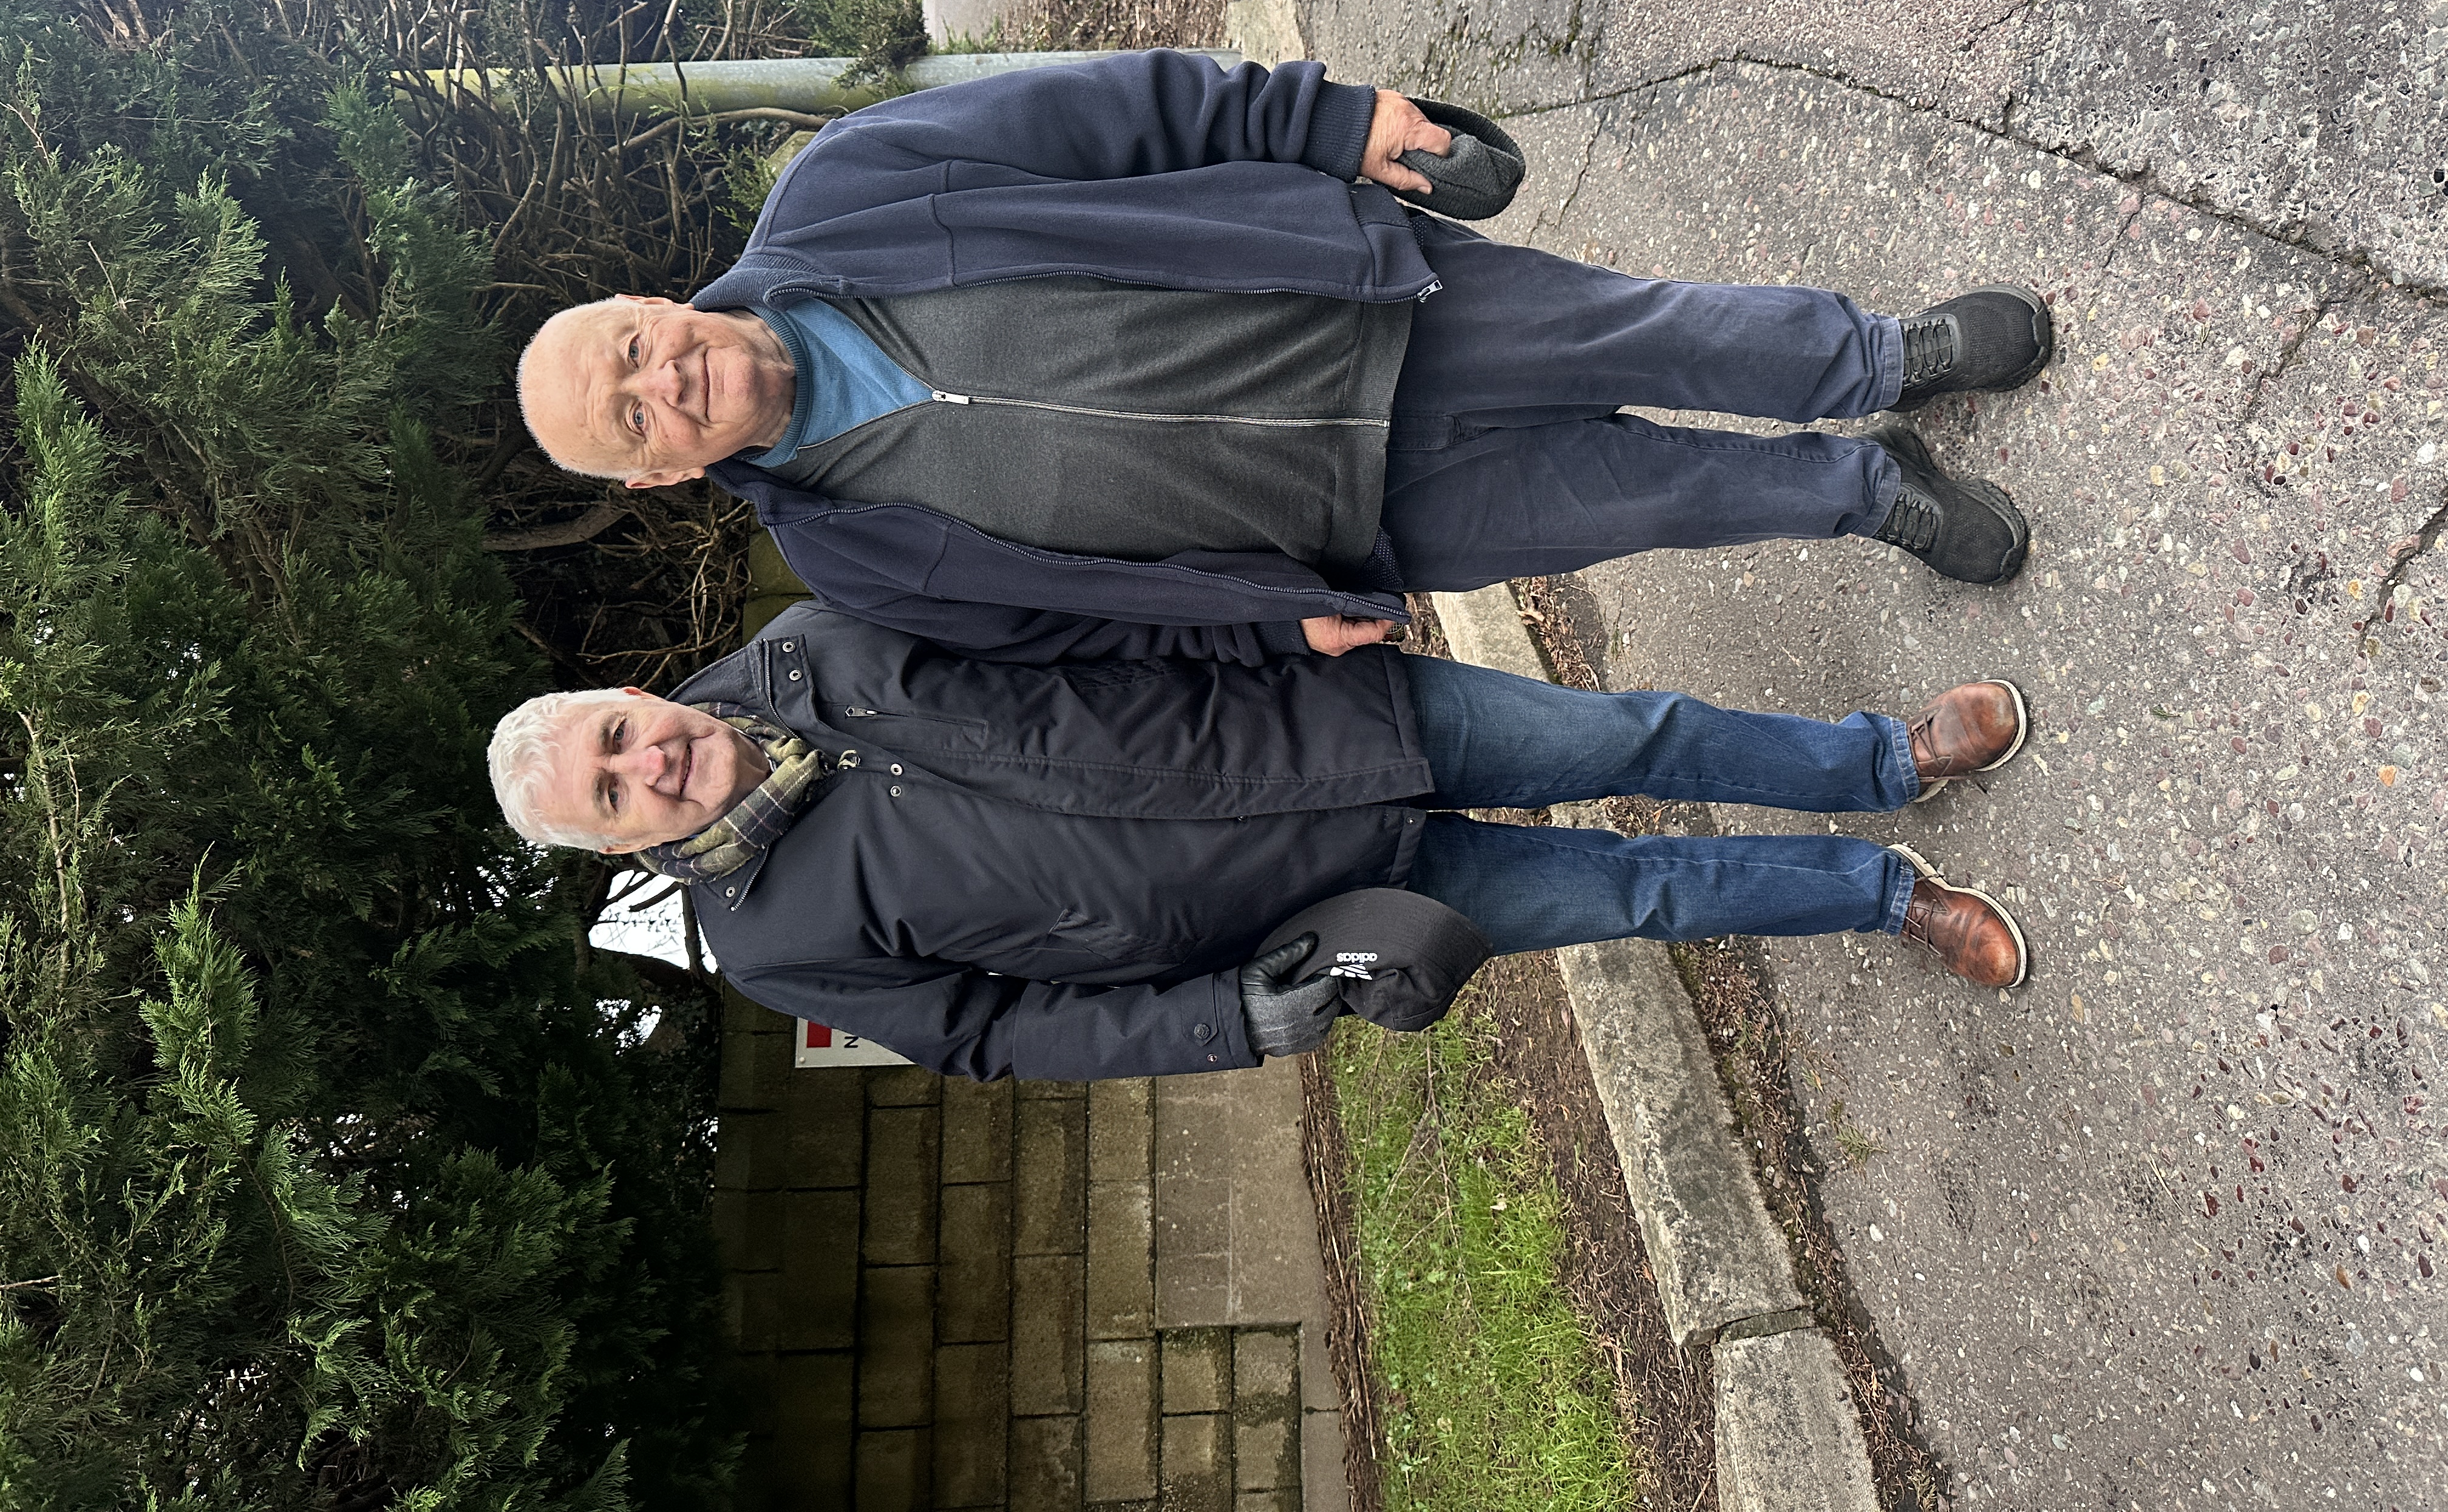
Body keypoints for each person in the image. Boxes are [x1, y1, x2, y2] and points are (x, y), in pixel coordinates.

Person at [514, 52, 2052, 663]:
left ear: (657, 308)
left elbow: (1114, 114)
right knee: (1650, 498)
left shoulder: (842, 190)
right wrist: (1269, 634)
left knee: (1651, 328)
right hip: (1344, 520)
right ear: (660, 472)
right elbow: (1083, 639)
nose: (669, 382)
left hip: (1352, 297)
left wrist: (1327, 121)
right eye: (637, 419)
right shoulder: (856, 562)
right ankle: (1866, 494)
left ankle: (1879, 357)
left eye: (639, 351)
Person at [487, 603, 2035, 1080]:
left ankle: (1883, 758)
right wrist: (1226, 1017)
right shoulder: (767, 940)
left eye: (617, 732)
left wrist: (1266, 613)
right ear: (614, 844)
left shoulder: (814, 645)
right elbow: (997, 1035)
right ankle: (1882, 894)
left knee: (1629, 735)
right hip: (1312, 902)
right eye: (611, 794)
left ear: (628, 691)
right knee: (1630, 892)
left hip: (1327, 728)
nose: (650, 763)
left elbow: (1071, 606)